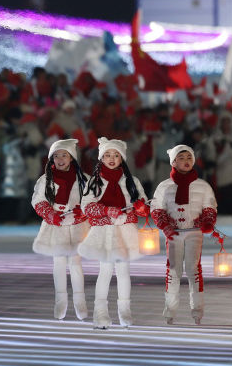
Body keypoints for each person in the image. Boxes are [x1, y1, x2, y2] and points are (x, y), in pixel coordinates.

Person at [77, 138, 148, 330]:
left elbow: (143, 203)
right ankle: (100, 312)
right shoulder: (95, 182)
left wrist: (140, 207)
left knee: (123, 271)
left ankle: (125, 310)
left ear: (122, 158)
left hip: (125, 231)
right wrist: (106, 210)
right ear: (101, 158)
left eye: (116, 155)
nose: (111, 158)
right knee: (105, 271)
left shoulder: (131, 181)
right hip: (105, 232)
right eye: (107, 155)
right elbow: (86, 206)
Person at [150, 145, 218, 324]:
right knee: (173, 270)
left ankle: (197, 309)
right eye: (181, 158)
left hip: (194, 232)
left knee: (193, 269)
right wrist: (165, 225)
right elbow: (156, 208)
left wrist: (207, 221)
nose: (186, 161)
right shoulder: (164, 186)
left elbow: (210, 206)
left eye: (189, 157)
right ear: (173, 162)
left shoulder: (202, 186)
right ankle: (170, 309)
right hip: (173, 234)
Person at [30, 138, 90, 320]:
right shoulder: (45, 179)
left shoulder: (84, 179)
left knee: (75, 263)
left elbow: (92, 198)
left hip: (77, 226)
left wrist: (82, 210)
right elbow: (38, 200)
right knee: (59, 263)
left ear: (72, 157)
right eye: (56, 156)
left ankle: (80, 300)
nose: (60, 159)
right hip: (56, 226)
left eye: (64, 155)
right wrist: (50, 214)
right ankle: (60, 300)